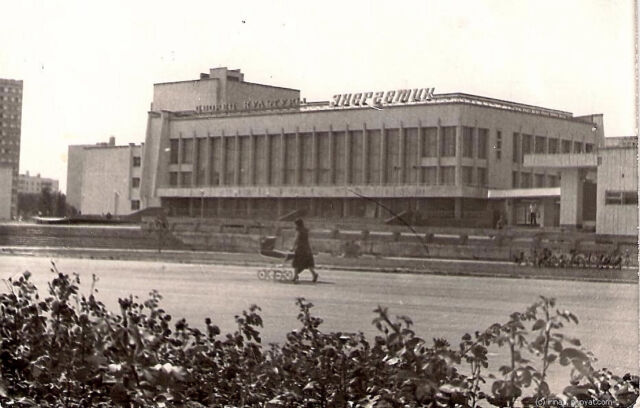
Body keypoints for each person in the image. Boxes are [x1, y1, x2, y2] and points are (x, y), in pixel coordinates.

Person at [290, 218, 318, 283]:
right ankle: (314, 274)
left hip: (300, 248)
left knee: (296, 262)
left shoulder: (298, 230)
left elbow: (296, 239)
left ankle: (295, 276)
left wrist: (293, 247)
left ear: (297, 224)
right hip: (307, 248)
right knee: (308, 263)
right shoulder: (305, 230)